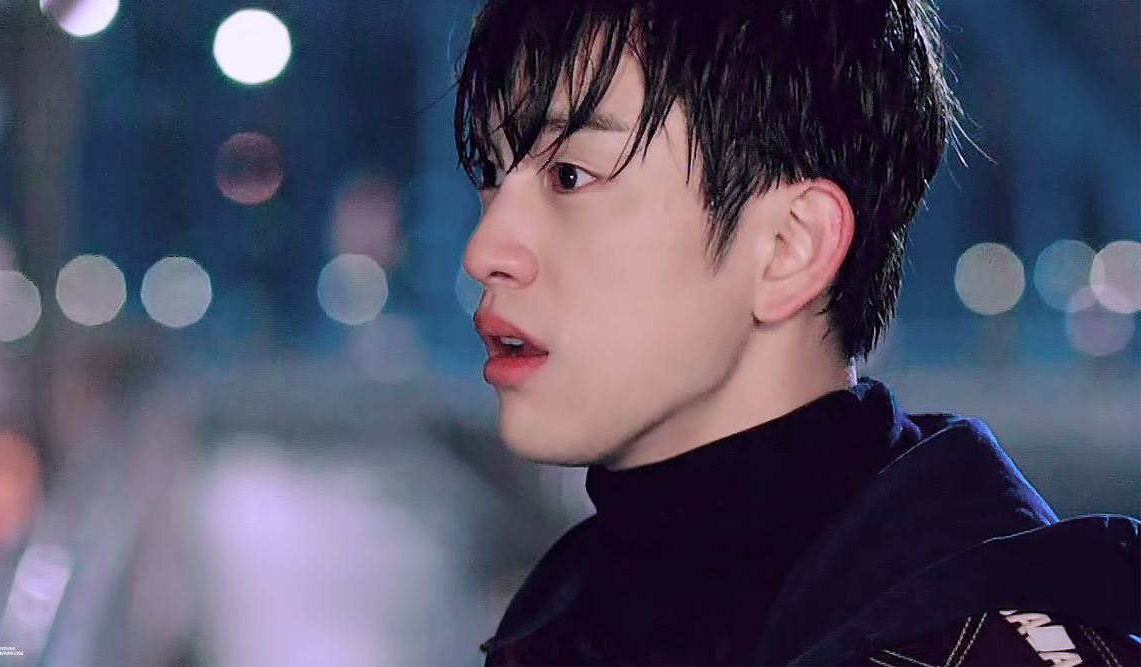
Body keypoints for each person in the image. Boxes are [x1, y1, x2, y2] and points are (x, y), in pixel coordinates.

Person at [452, 0, 1141, 664]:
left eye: (570, 175)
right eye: (489, 171)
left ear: (790, 246)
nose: (484, 251)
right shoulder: (560, 619)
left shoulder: (984, 646)